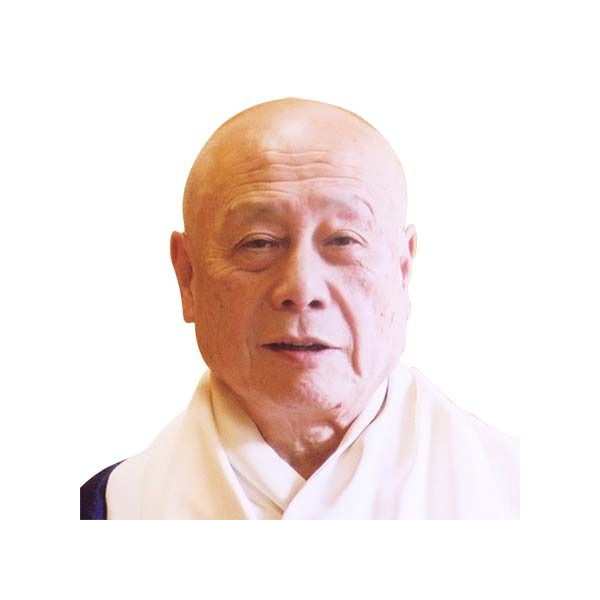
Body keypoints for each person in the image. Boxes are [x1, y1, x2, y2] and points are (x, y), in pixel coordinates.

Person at [80, 98, 519, 520]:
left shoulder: (516, 495)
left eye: (343, 240)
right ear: (188, 277)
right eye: (259, 243)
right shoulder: (107, 512)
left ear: (402, 270)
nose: (301, 289)